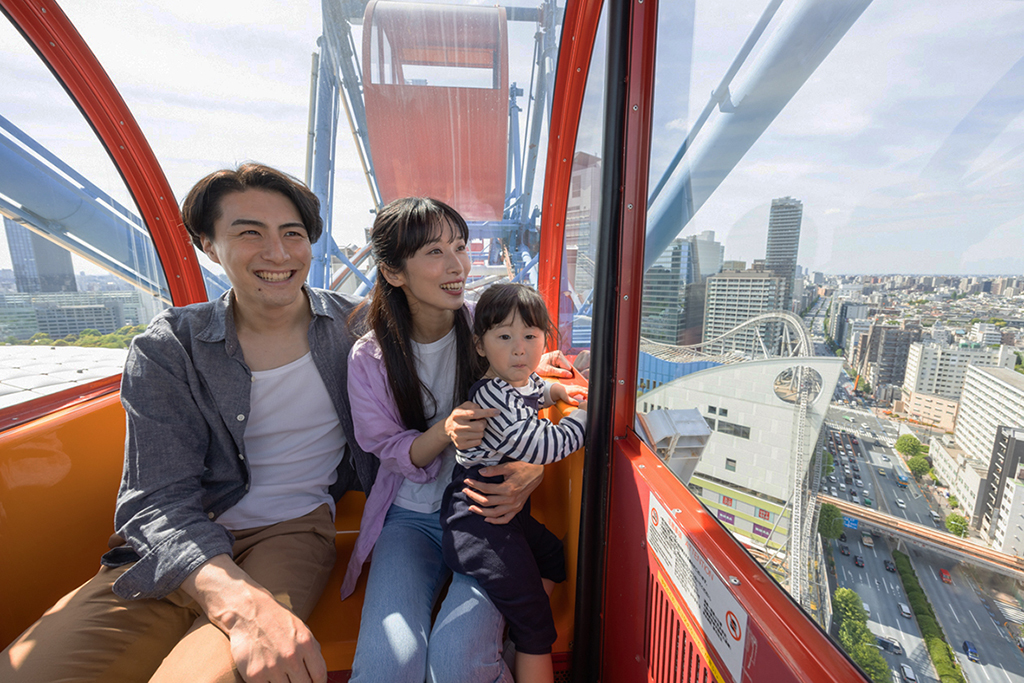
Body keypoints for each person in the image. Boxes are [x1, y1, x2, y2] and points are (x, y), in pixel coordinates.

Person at [1, 163, 377, 683]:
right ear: (208, 245)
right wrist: (242, 605)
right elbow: (154, 499)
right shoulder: (168, 348)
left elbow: (454, 361)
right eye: (250, 233)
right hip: (178, 538)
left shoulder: (356, 332)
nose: (278, 253)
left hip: (291, 532)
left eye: (292, 234)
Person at [344, 197, 575, 683]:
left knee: (457, 665)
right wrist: (447, 428)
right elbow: (388, 450)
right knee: (390, 664)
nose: (458, 266)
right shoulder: (370, 357)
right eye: (434, 252)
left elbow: (527, 374)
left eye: (461, 247)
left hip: (486, 512)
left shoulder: (491, 325)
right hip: (409, 517)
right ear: (393, 272)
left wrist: (535, 466)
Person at [441, 283, 587, 683]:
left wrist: (559, 390)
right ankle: (529, 638)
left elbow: (538, 391)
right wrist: (585, 417)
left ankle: (514, 638)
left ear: (544, 339)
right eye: (504, 337)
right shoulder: (491, 397)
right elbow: (544, 445)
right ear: (481, 346)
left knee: (553, 558)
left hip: (504, 506)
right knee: (538, 623)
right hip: (477, 516)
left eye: (530, 336)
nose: (519, 348)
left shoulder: (516, 382)